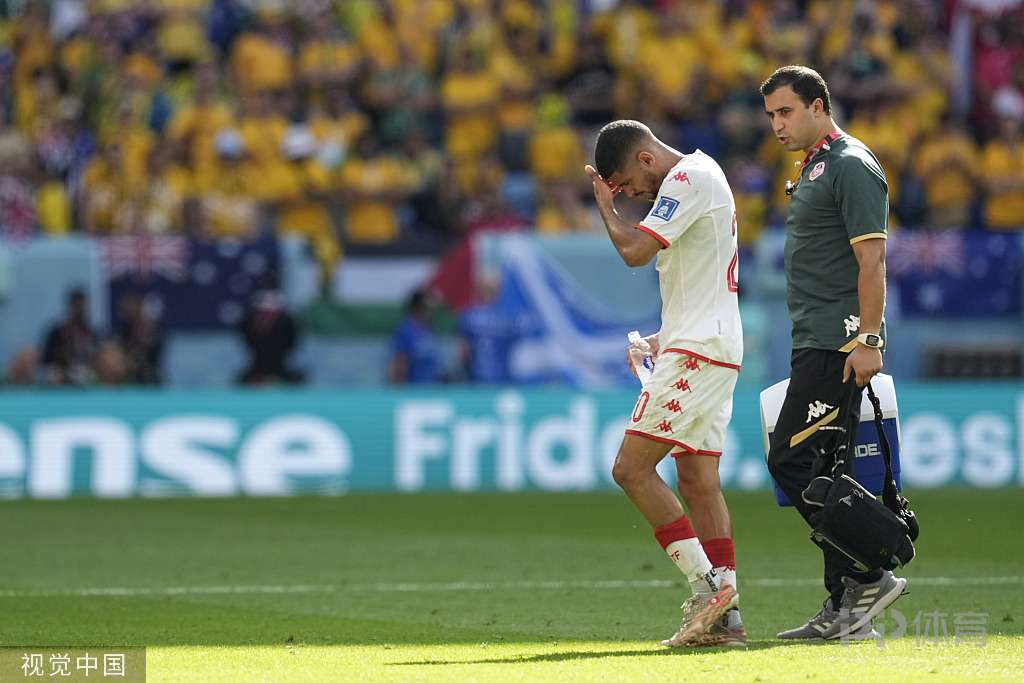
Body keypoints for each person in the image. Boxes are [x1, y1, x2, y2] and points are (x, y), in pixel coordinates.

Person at [759, 65, 907, 641]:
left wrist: (870, 338)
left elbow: (872, 260)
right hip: (817, 339)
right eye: (771, 114)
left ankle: (869, 573)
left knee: (790, 461)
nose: (776, 123)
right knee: (824, 470)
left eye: (786, 111)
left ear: (819, 105)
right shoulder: (818, 165)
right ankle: (846, 605)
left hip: (839, 342)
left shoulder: (850, 164)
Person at [585, 120, 745, 648]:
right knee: (698, 479)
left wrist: (604, 206)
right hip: (708, 343)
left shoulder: (687, 178)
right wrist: (661, 337)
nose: (631, 195)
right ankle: (728, 620)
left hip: (700, 350)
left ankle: (706, 591)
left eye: (628, 185)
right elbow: (700, 283)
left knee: (631, 468)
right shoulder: (703, 178)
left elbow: (634, 252)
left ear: (647, 158)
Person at [41, 287, 97, 386]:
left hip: (84, 370)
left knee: (85, 375)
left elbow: (96, 357)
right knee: (52, 375)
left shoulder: (91, 333)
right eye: (76, 305)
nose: (79, 309)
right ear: (70, 306)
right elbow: (45, 359)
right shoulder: (56, 332)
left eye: (82, 305)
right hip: (60, 371)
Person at [389, 288, 442, 384]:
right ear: (416, 308)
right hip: (413, 392)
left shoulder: (428, 331)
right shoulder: (405, 331)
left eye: (431, 309)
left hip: (430, 390)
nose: (431, 312)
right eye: (426, 308)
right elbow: (398, 364)